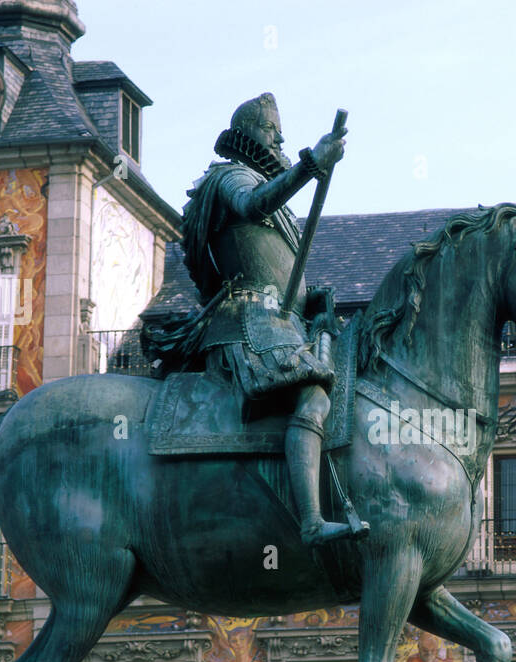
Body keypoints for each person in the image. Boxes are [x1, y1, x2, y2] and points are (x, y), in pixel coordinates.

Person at [142, 92, 367, 547]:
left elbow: (281, 268)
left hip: (282, 322)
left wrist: (311, 300)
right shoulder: (228, 177)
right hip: (247, 320)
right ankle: (310, 520)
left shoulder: (272, 197)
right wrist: (310, 166)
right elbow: (250, 207)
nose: (282, 141)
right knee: (312, 395)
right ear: (250, 135)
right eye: (274, 133)